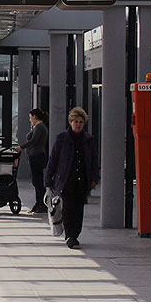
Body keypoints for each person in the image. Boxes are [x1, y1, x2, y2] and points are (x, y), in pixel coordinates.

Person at [44, 107, 100, 249]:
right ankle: (70, 235)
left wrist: (94, 178)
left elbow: (94, 160)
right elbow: (53, 159)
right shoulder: (61, 139)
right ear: (70, 122)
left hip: (82, 179)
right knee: (68, 207)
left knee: (79, 208)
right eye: (76, 121)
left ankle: (75, 233)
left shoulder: (88, 140)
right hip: (67, 179)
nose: (78, 125)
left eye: (81, 122)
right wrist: (48, 179)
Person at [16, 109, 49, 213]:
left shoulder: (40, 127)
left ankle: (41, 203)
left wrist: (21, 147)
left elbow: (33, 141)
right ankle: (39, 203)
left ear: (35, 117)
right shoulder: (39, 127)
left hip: (36, 156)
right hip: (34, 155)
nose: (30, 120)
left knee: (37, 180)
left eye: (30, 117)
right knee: (36, 180)